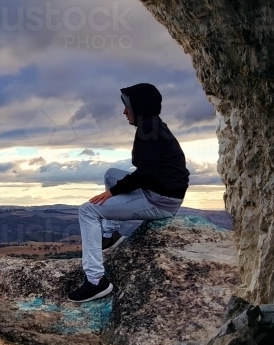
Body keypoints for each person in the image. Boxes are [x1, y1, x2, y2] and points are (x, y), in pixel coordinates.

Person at [68, 83, 190, 302]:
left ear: (140, 106)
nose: (124, 111)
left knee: (88, 211)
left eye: (128, 106)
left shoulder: (148, 129)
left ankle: (95, 282)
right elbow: (150, 171)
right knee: (110, 173)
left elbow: (146, 173)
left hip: (160, 200)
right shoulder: (152, 125)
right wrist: (115, 188)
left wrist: (113, 192)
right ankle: (110, 235)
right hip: (162, 192)